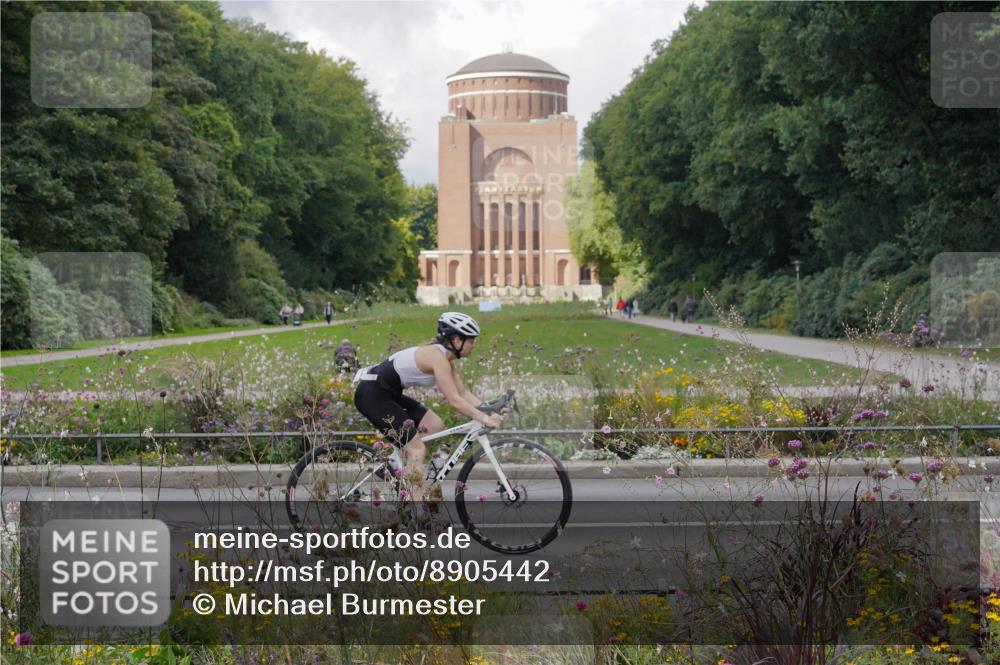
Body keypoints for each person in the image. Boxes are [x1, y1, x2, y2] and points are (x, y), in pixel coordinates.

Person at [353, 312, 504, 502]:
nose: (473, 345)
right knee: (416, 449)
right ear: (457, 340)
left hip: (385, 392)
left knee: (434, 425)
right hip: (372, 394)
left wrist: (490, 409)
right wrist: (483, 418)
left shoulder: (444, 359)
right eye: (471, 340)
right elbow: (455, 401)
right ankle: (416, 509)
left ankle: (396, 468)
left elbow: (463, 393)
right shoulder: (437, 358)